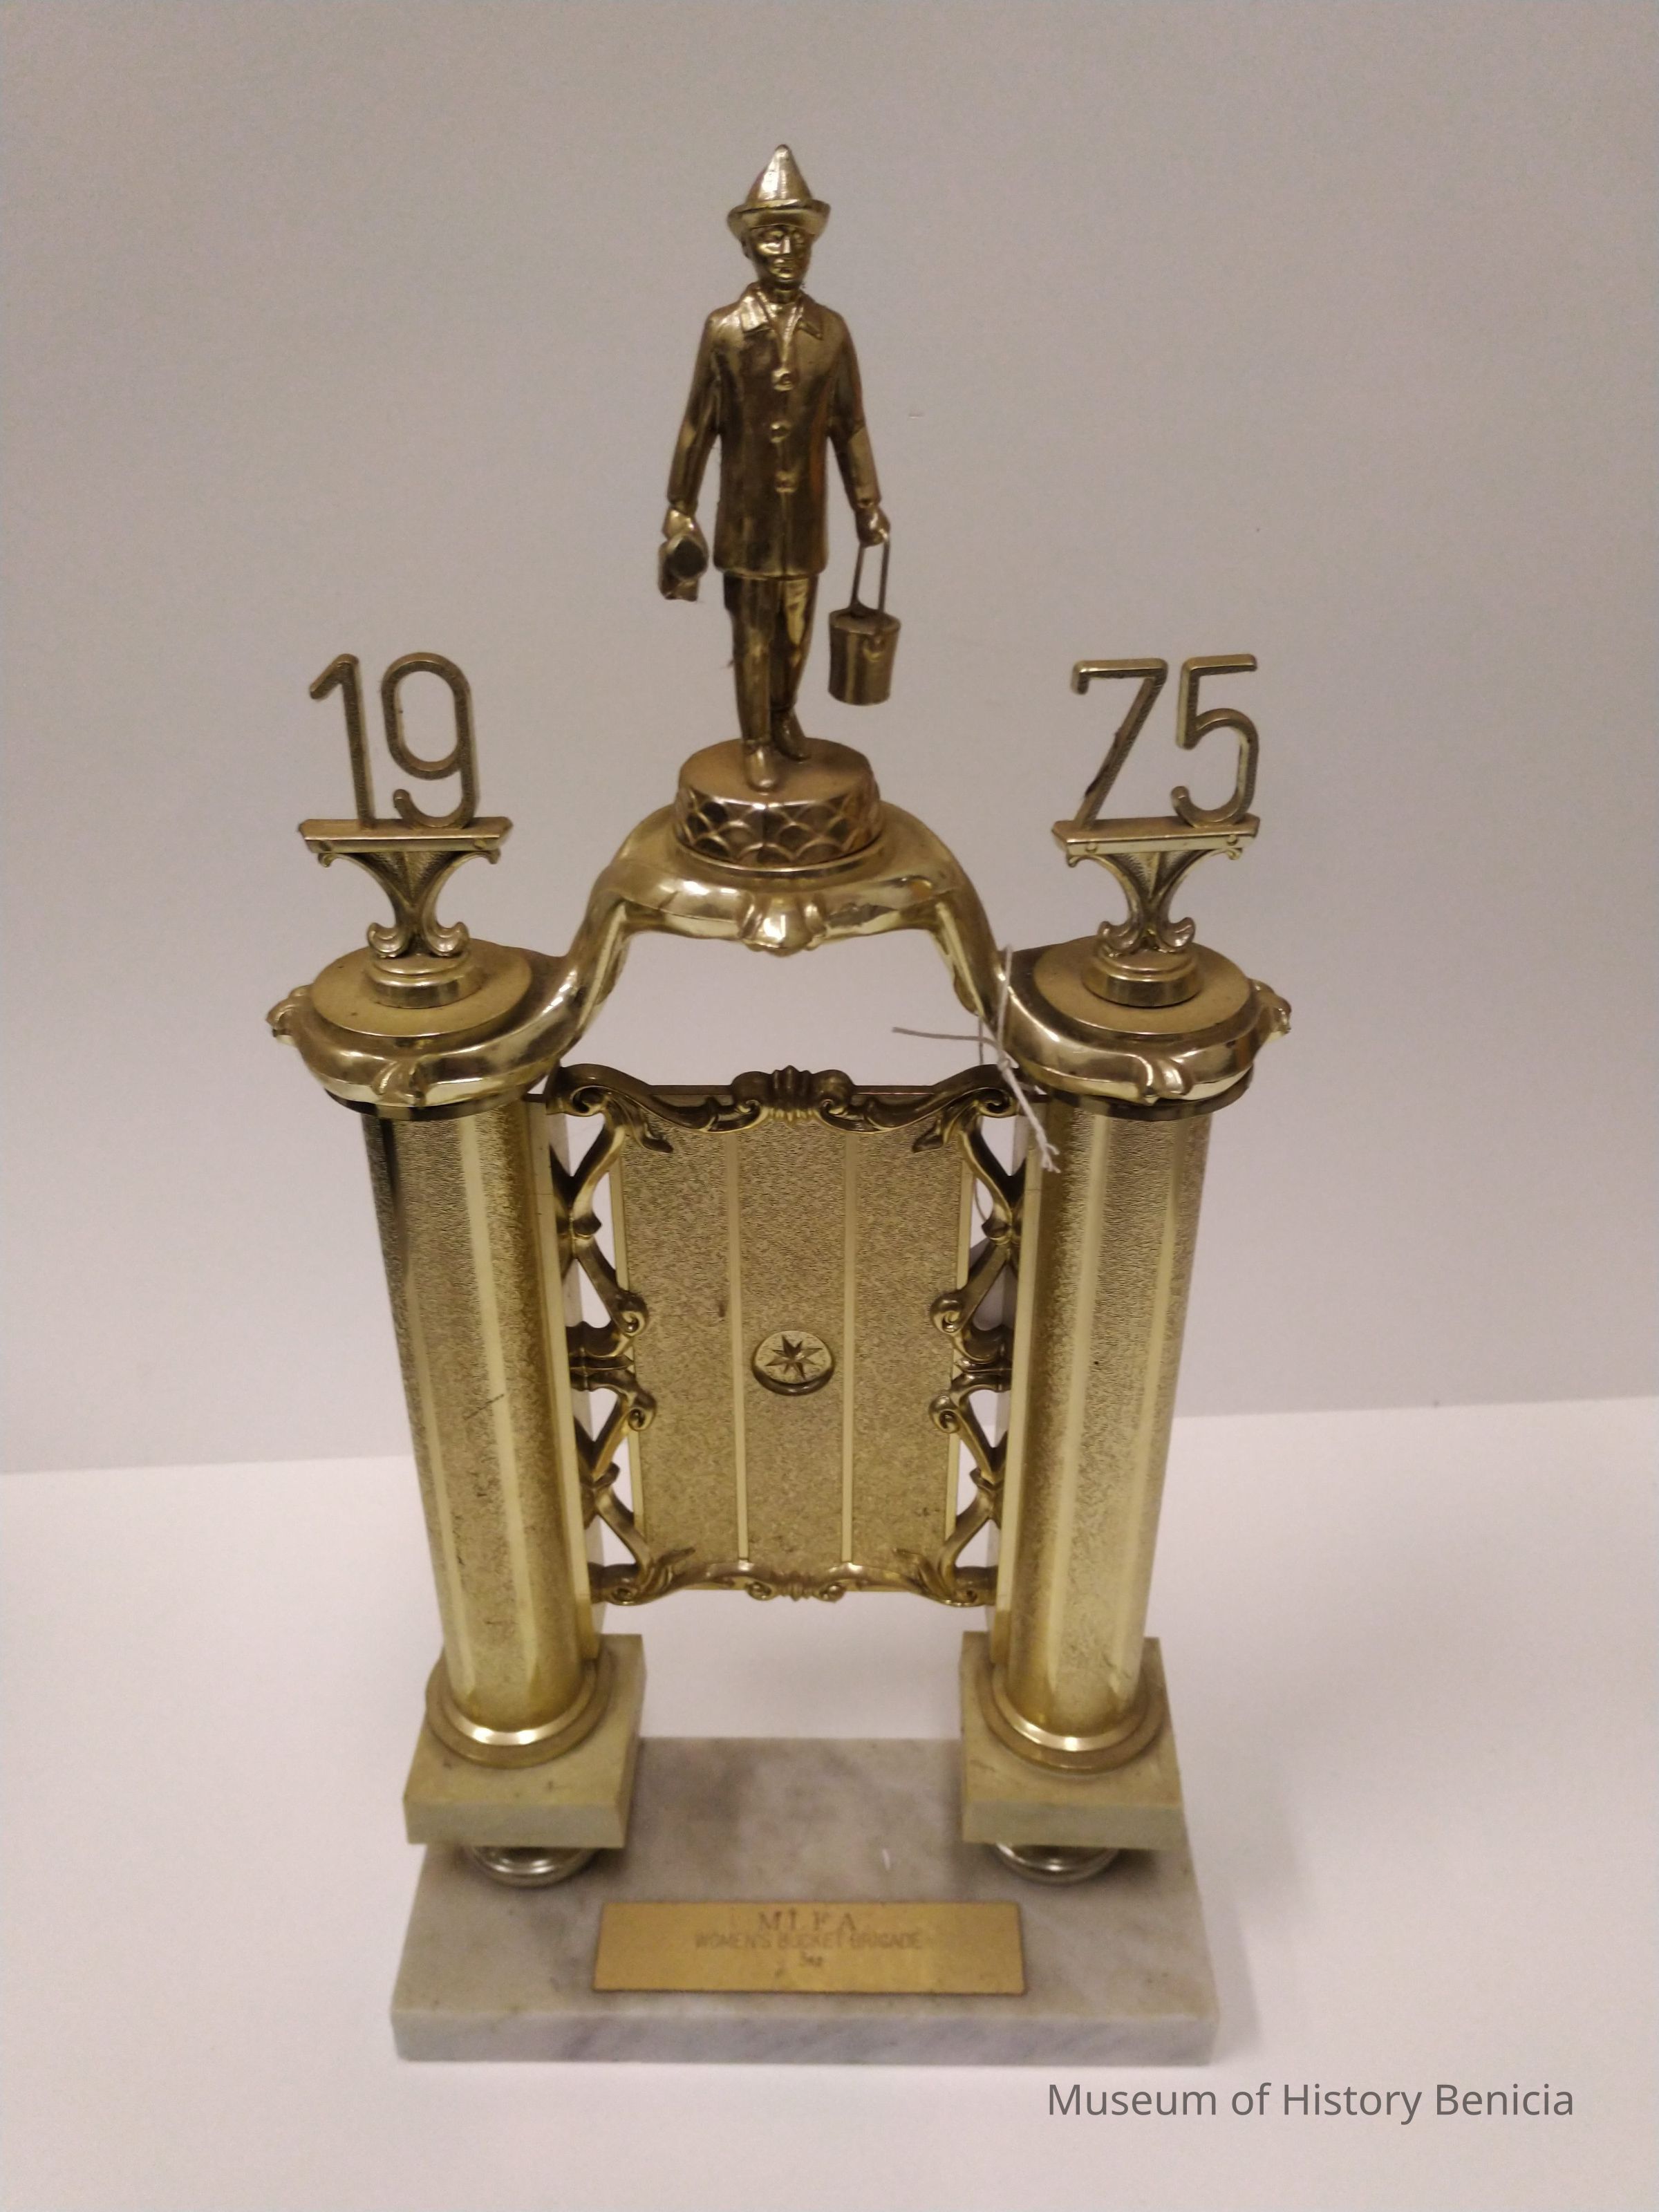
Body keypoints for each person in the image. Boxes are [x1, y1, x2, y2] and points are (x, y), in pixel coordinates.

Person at [659, 147, 890, 791]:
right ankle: (756, 738)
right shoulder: (727, 330)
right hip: (747, 515)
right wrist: (680, 506)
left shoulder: (831, 332)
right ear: (748, 247)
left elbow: (850, 425)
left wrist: (867, 503)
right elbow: (698, 425)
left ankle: (784, 713)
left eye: (798, 238)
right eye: (771, 237)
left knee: (796, 630)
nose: (787, 250)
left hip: (805, 517)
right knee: (754, 633)